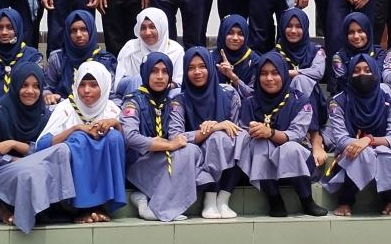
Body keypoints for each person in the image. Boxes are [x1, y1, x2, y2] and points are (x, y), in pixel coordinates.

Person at [0, 61, 76, 233]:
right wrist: (14, 160)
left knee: (62, 150)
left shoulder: (44, 114)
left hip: (34, 162)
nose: (30, 91)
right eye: (24, 85)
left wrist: (15, 144)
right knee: (32, 170)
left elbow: (42, 148)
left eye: (36, 86)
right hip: (2, 169)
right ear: (15, 85)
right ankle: (22, 213)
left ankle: (64, 207)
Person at [234, 53, 328, 217]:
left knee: (290, 147)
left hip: (297, 165)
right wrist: (253, 132)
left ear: (284, 73)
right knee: (259, 144)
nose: (269, 78)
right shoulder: (250, 101)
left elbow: (296, 134)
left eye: (275, 73)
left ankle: (306, 199)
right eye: (264, 73)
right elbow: (242, 133)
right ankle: (274, 199)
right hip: (262, 168)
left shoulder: (299, 100)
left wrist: (270, 133)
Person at [38, 60, 127, 223]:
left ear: (104, 85)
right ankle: (80, 208)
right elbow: (42, 145)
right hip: (68, 181)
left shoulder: (111, 109)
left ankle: (101, 206)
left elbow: (128, 148)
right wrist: (75, 128)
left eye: (93, 85)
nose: (86, 90)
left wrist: (115, 124)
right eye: (82, 85)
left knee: (114, 137)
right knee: (79, 139)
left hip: (101, 172)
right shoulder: (66, 108)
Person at [324, 54, 391, 216]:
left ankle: (390, 199)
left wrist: (368, 140)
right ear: (349, 74)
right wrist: (362, 145)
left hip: (380, 148)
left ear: (375, 73)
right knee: (362, 154)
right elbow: (341, 140)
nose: (362, 74)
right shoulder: (338, 101)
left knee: (385, 153)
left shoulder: (388, 100)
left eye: (368, 70)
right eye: (357, 71)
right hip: (349, 153)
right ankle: (346, 200)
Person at [120, 52, 198, 222]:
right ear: (145, 73)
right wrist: (168, 145)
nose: (160, 76)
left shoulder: (172, 103)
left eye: (165, 72)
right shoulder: (133, 101)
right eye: (154, 71)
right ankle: (162, 208)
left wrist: (209, 129)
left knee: (192, 150)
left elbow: (177, 136)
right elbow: (130, 137)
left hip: (161, 162)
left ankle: (147, 199)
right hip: (139, 165)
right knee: (185, 153)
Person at [169, 48, 243, 219]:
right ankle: (210, 197)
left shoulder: (230, 94)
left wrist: (219, 130)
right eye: (191, 68)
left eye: (202, 66)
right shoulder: (179, 100)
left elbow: (235, 129)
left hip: (226, 157)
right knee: (215, 138)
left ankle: (223, 198)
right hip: (195, 158)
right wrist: (211, 129)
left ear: (210, 67)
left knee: (241, 138)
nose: (197, 72)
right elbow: (175, 137)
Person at [273, 7, 327, 168]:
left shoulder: (316, 50)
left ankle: (315, 137)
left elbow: (318, 72)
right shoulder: (276, 53)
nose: (293, 30)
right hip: (286, 105)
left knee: (302, 81)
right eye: (289, 26)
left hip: (315, 104)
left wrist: (290, 73)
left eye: (298, 26)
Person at [41, 9, 116, 105]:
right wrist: (48, 96)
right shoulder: (58, 58)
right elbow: (46, 87)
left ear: (91, 30)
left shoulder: (105, 60)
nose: (78, 35)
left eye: (83, 29)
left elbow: (111, 95)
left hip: (97, 108)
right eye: (73, 31)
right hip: (63, 107)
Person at [0, 8, 44, 99]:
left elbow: (37, 90)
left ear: (18, 29)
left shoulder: (32, 57)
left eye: (10, 27)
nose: (4, 32)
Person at [114, 7, 186, 91]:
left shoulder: (176, 50)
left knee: (176, 91)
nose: (147, 33)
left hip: (166, 90)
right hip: (133, 89)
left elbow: (179, 81)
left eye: (152, 27)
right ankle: (137, 99)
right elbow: (120, 80)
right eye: (143, 28)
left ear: (162, 27)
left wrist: (160, 87)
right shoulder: (131, 47)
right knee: (139, 79)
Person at [330, 12, 388, 96]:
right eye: (351, 32)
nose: (356, 36)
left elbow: (377, 77)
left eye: (360, 31)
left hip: (376, 97)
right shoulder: (339, 57)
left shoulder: (379, 53)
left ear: (368, 32)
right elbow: (344, 83)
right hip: (347, 97)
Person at [211, 14, 258, 92]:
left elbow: (253, 95)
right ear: (223, 33)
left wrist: (233, 77)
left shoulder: (254, 61)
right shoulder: (210, 59)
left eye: (240, 34)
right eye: (230, 33)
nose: (235, 38)